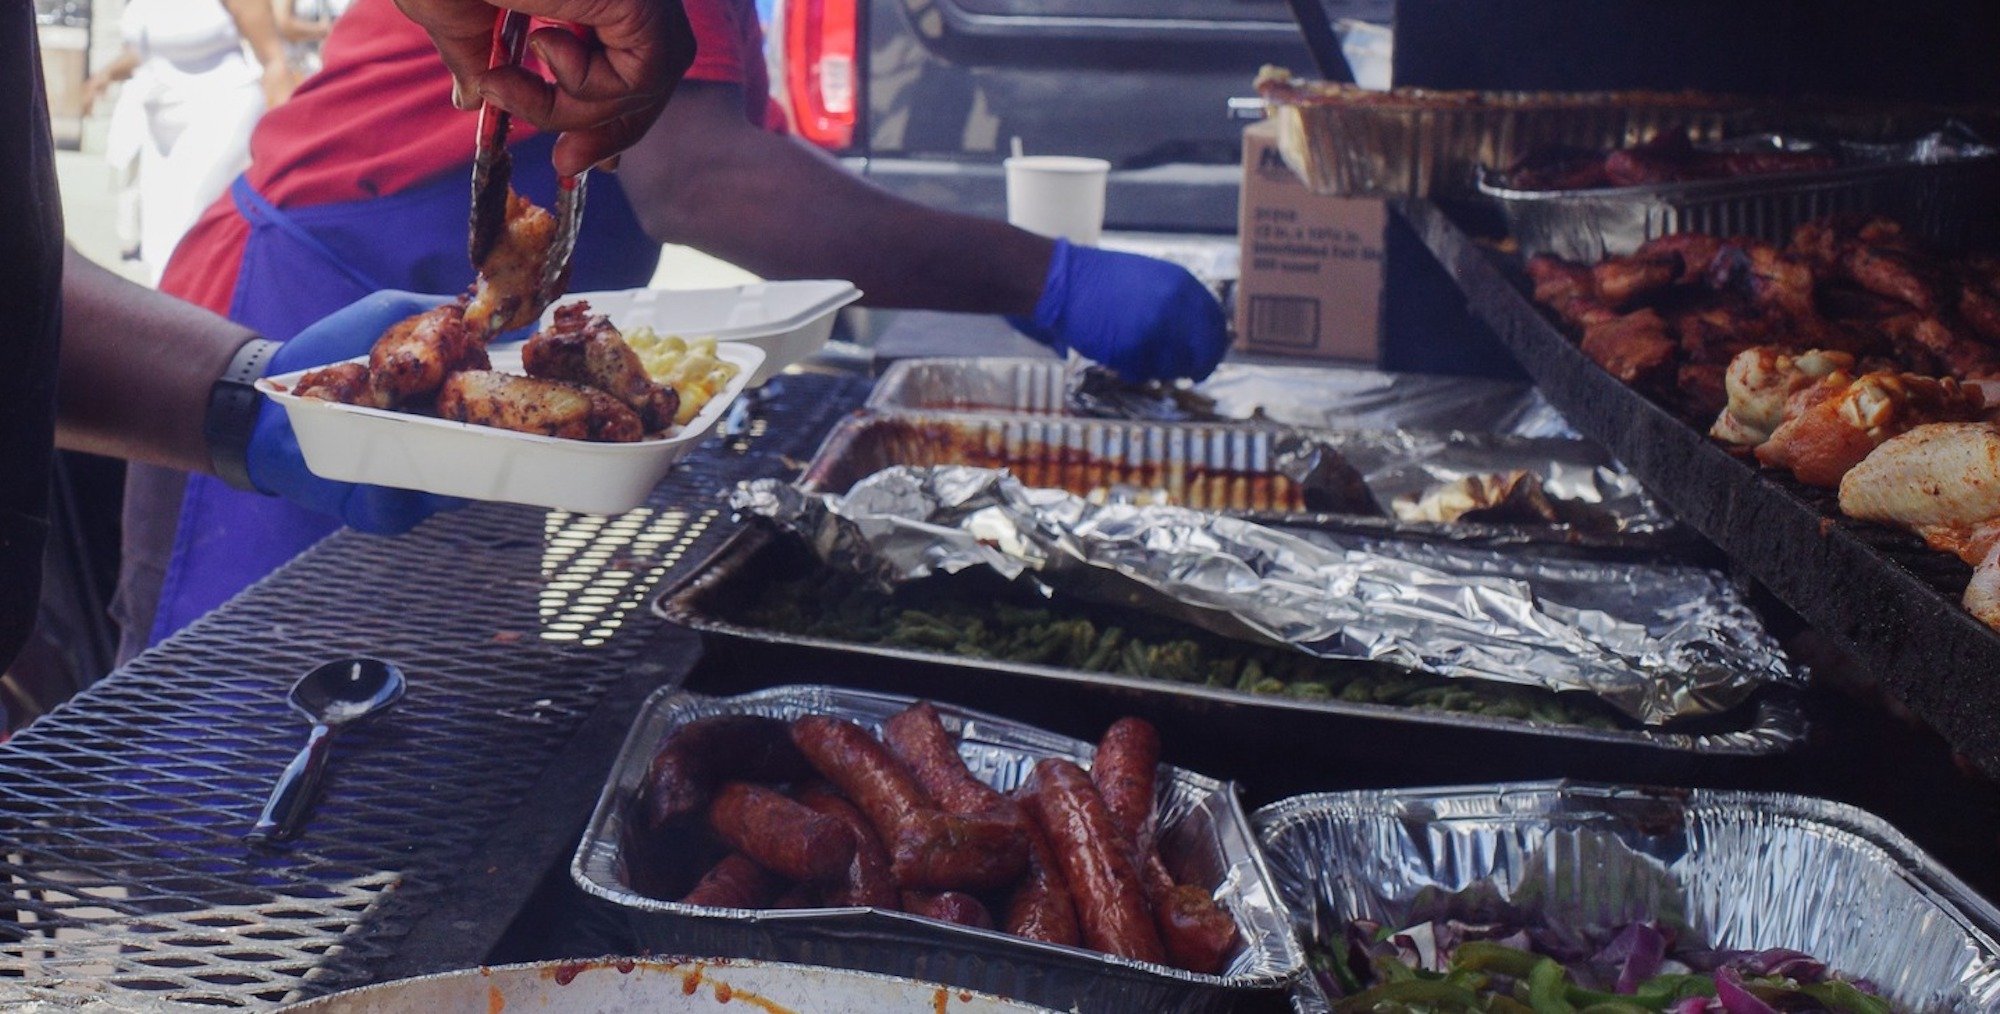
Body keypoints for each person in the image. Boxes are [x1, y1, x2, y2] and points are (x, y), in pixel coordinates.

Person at [124, 0, 1231, 658]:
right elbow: (701, 180)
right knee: (243, 777)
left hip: (479, 383)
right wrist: (1043, 275)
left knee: (412, 733)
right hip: (312, 333)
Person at [0, 0, 692, 686]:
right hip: (291, 273)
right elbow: (698, 175)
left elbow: (17, 278)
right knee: (227, 703)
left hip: (208, 372)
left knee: (439, 698)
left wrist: (242, 399)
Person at [79, 0, 299, 283]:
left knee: (187, 224)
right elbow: (145, 51)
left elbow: (274, 60)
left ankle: (191, 316)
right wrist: (105, 75)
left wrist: (284, 138)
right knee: (158, 242)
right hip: (160, 120)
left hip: (222, 110)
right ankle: (178, 314)